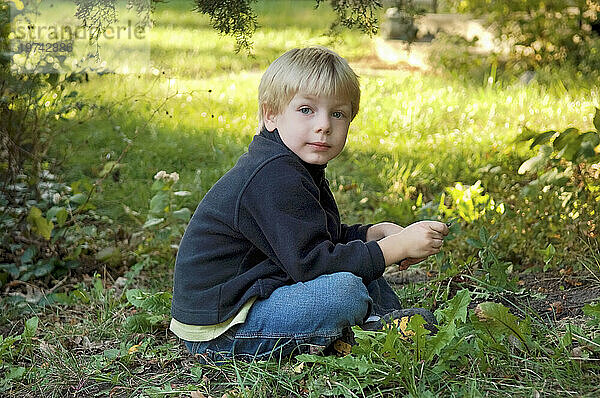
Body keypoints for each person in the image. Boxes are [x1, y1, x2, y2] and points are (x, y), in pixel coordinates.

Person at [169, 46, 449, 363]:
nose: (324, 125)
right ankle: (371, 330)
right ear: (270, 114)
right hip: (222, 328)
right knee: (343, 290)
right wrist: (394, 248)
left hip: (257, 296)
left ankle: (386, 324)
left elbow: (315, 237)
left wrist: (369, 235)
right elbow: (311, 263)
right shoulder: (273, 175)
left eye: (338, 114)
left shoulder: (294, 164)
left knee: (359, 268)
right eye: (306, 110)